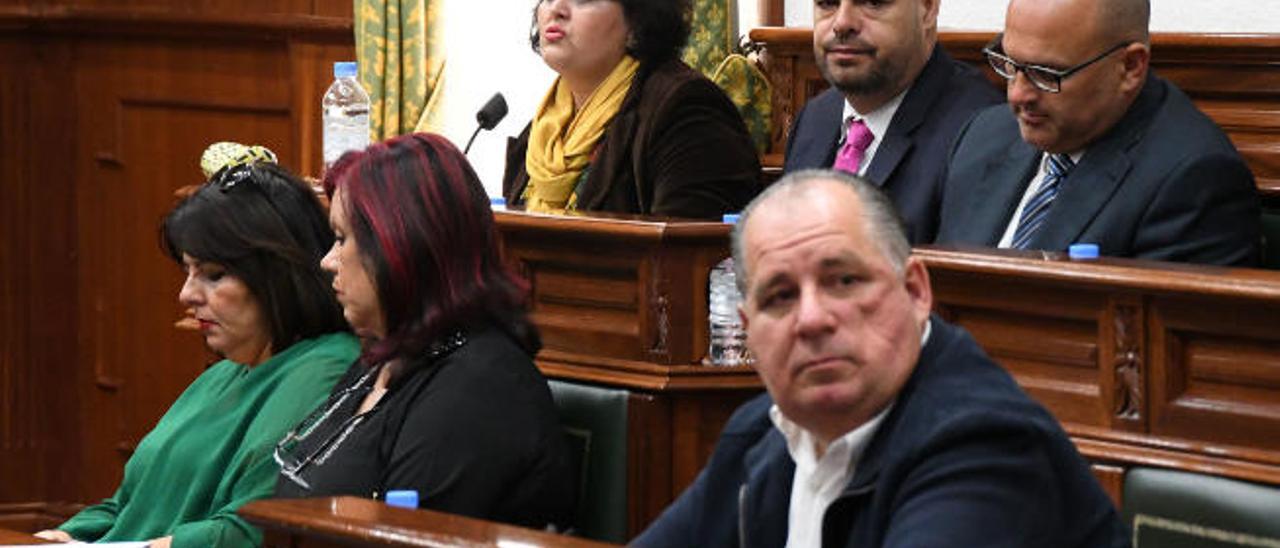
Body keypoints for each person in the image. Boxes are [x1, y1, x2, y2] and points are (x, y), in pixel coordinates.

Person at [634, 170, 1129, 547]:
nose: (812, 319)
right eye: (779, 297)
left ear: (915, 292)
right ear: (749, 332)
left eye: (844, 281)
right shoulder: (762, 435)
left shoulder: (983, 442)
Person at [37, 146, 358, 547]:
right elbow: (128, 505)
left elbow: (253, 530)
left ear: (279, 274)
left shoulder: (326, 366)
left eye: (213, 274)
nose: (186, 294)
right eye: (188, 271)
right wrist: (61, 535)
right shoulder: (225, 372)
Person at [274, 133, 576, 530]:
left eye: (342, 239)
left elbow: (401, 538)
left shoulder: (479, 387)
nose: (327, 261)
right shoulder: (385, 358)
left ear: (400, 246)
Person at [936, 0, 1259, 266]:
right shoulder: (983, 135)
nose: (1017, 95)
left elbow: (1157, 340)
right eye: (1009, 63)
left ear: (1130, 67)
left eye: (1046, 74)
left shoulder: (1194, 179)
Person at [501, 0, 761, 219]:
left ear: (638, 19)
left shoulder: (686, 109)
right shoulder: (547, 124)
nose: (556, 8)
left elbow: (685, 258)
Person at [784, 0, 1001, 244]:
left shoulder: (982, 133)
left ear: (927, 9)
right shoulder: (815, 117)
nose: (842, 23)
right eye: (827, 3)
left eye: (873, 3)